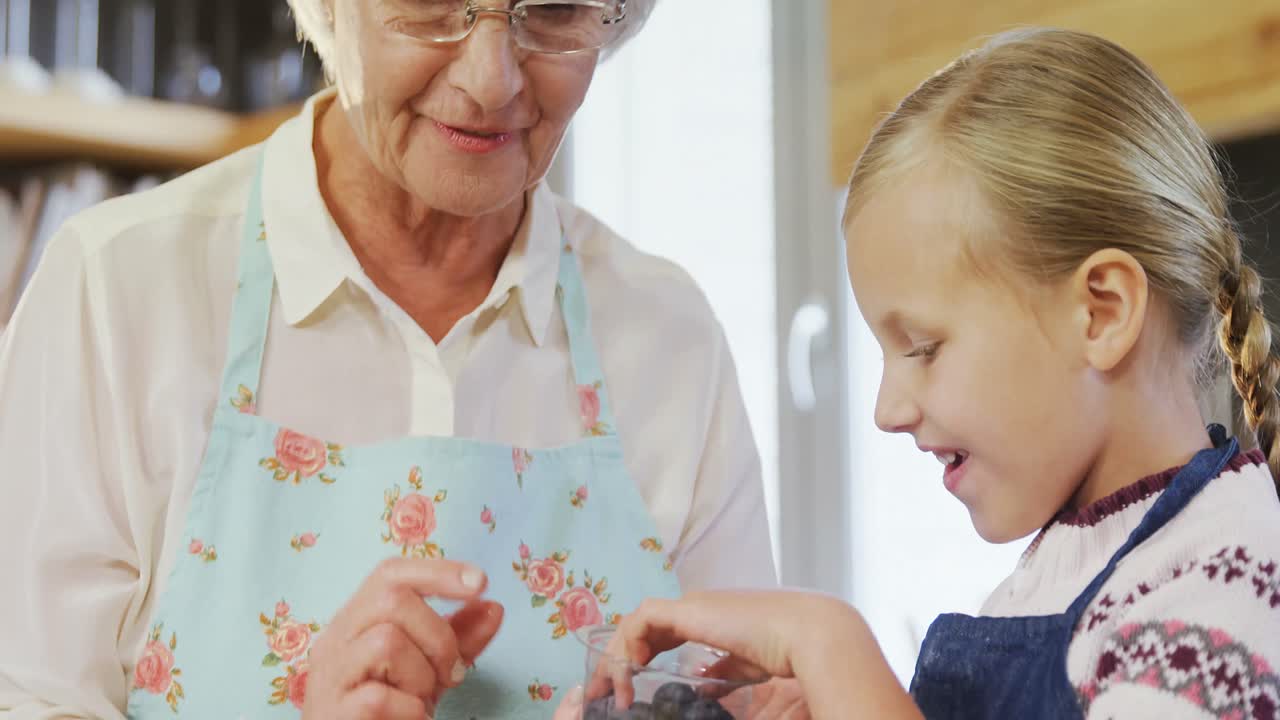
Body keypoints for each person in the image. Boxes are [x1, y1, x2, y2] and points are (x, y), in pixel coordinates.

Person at [0, 1, 779, 718]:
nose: (490, 79)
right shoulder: (113, 291)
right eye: (434, 3)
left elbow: (734, 696)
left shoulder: (669, 336)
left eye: (554, 10)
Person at [557, 27, 1280, 719]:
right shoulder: (1062, 573)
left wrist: (831, 647)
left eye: (924, 347)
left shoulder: (1231, 580)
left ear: (1101, 312)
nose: (887, 409)